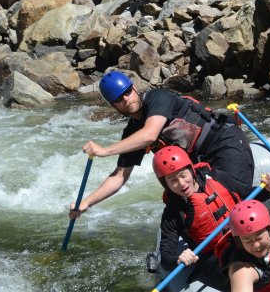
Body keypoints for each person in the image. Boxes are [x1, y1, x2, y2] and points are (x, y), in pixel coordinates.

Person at [69, 71, 254, 219]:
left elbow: (150, 135)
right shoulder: (133, 132)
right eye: (118, 99)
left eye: (127, 92)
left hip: (223, 143)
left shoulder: (157, 97)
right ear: (113, 106)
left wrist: (105, 150)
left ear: (134, 89)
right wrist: (86, 203)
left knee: (232, 200)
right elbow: (119, 177)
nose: (126, 99)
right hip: (198, 165)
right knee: (182, 207)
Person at [155, 145, 270, 289]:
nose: (182, 184)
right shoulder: (173, 212)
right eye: (173, 180)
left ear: (191, 170)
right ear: (166, 184)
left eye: (183, 175)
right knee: (244, 267)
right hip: (218, 256)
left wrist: (269, 189)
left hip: (244, 236)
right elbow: (166, 256)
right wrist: (178, 259)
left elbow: (246, 194)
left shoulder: (216, 177)